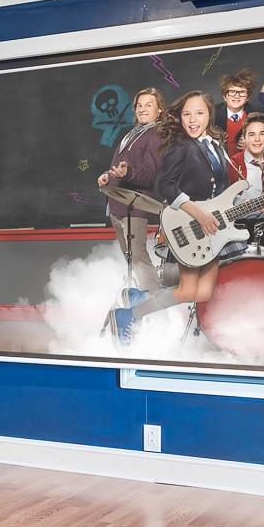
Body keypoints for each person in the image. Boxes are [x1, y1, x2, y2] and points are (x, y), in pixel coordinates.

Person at [97, 89, 171, 341]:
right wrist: (110, 176)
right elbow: (121, 168)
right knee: (131, 259)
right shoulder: (131, 133)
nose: (142, 109)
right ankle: (138, 312)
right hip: (118, 204)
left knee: (138, 259)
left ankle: (156, 311)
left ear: (159, 109)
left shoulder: (156, 133)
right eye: (139, 105)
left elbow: (151, 173)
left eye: (148, 105)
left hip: (135, 207)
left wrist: (126, 174)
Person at [152, 90, 237, 309]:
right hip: (189, 224)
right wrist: (197, 213)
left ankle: (137, 302)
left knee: (204, 293)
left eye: (199, 113)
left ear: (209, 114)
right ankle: (131, 310)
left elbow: (222, 190)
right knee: (188, 290)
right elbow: (164, 185)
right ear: (180, 117)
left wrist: (260, 203)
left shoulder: (216, 145)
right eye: (187, 114)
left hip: (213, 229)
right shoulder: (180, 146)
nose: (192, 120)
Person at [226, 113, 264, 193]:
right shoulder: (234, 165)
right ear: (244, 138)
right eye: (251, 134)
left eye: (262, 134)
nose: (257, 139)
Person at [217, 69, 263, 153]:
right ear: (224, 96)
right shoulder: (213, 113)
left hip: (247, 162)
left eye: (242, 92)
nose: (237, 96)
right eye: (232, 92)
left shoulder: (256, 113)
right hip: (222, 163)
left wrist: (252, 145)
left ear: (248, 97)